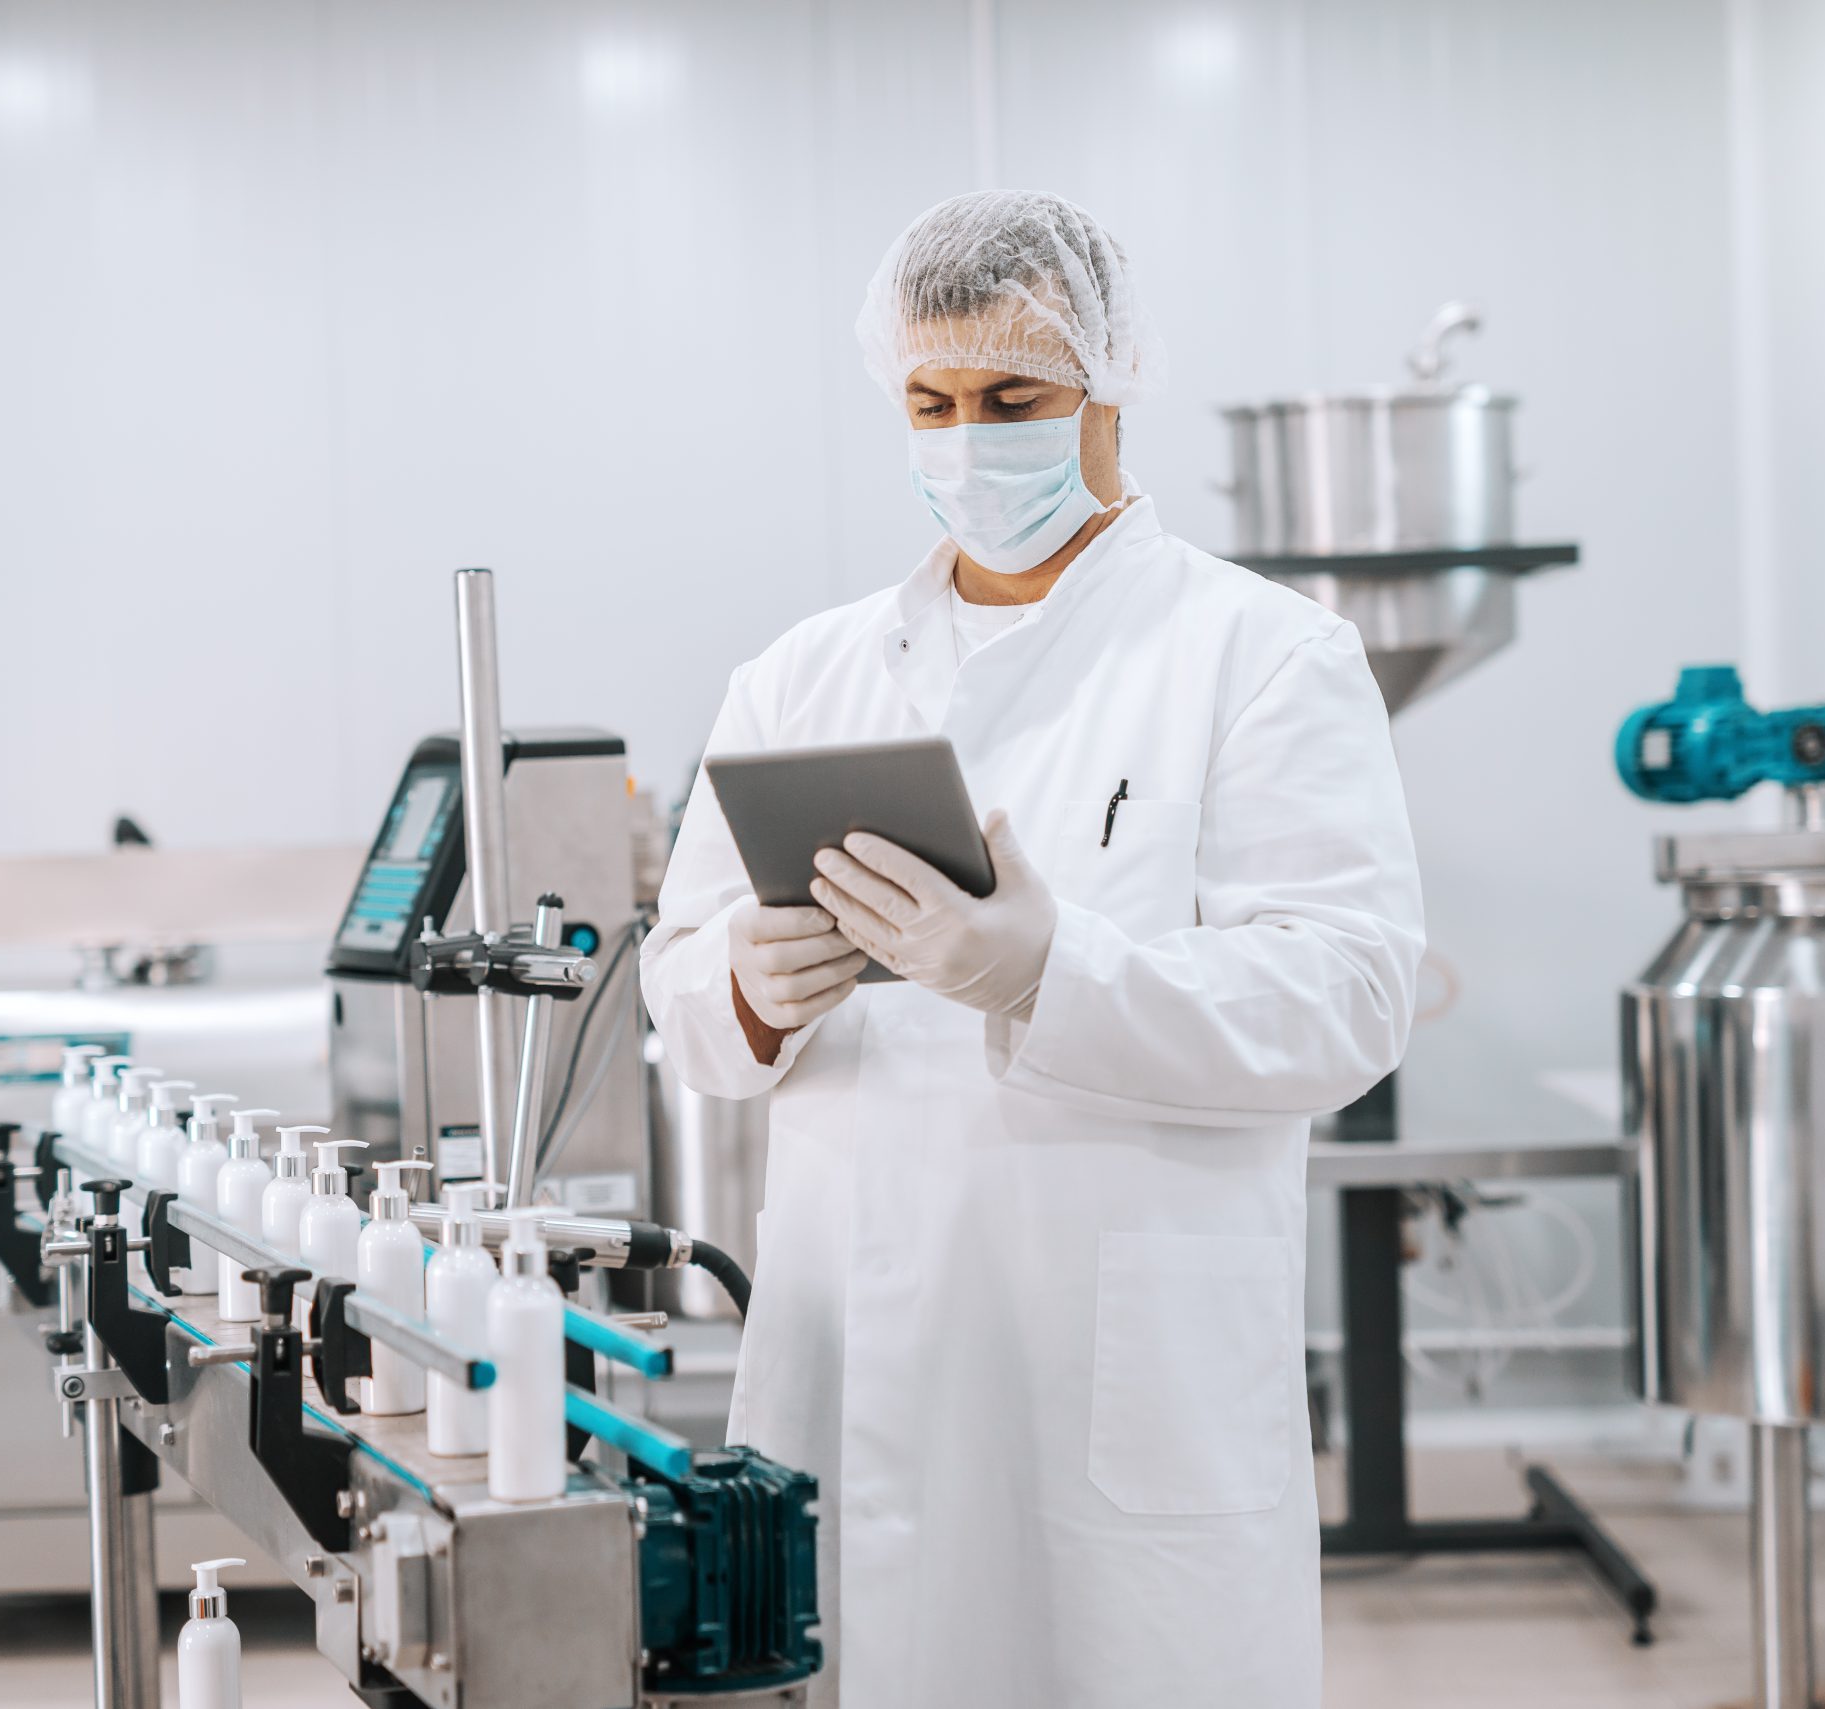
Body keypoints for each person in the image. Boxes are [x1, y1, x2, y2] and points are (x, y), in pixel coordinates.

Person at [639, 189, 1425, 1709]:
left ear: (1113, 385)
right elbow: (684, 983)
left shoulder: (1258, 656)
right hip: (854, 1341)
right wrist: (744, 985)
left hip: (1119, 1360)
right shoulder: (806, 674)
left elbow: (1348, 993)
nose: (968, 441)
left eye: (1013, 399)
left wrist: (1045, 976)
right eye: (932, 403)